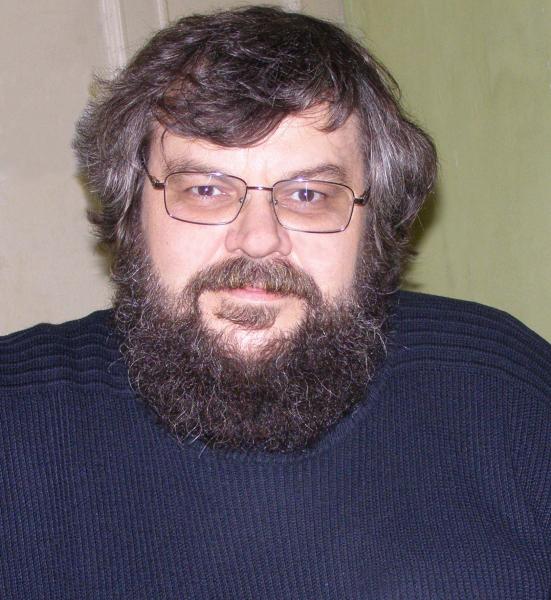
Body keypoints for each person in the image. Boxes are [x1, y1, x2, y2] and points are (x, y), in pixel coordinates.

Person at [1, 6, 550, 598]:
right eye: (205, 189)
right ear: (130, 211)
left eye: (308, 194)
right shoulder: (16, 425)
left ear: (375, 221)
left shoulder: (506, 394)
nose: (259, 238)